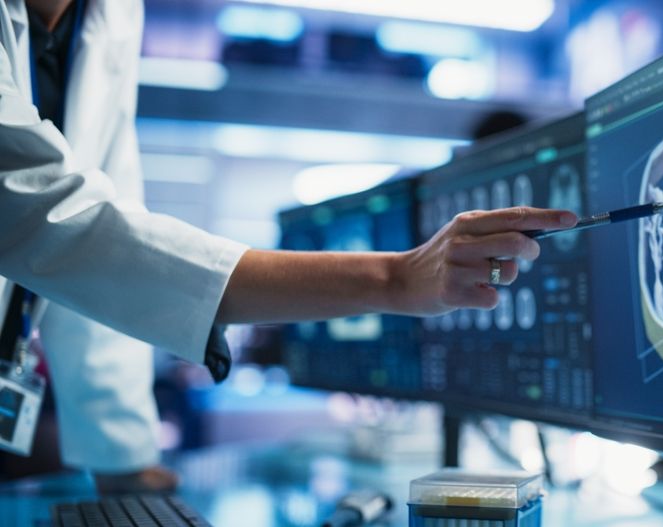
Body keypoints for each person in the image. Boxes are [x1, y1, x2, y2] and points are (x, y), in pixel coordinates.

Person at [0, 0, 576, 491]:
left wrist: (119, 455)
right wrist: (395, 278)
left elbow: (103, 258)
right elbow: (55, 218)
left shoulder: (110, 14)